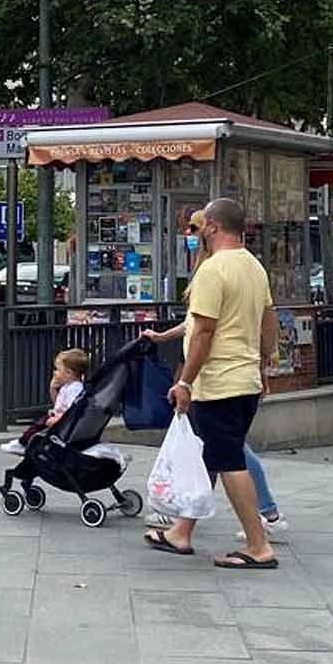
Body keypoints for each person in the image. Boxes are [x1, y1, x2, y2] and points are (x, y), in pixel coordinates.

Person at [143, 198, 280, 569]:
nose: (198, 231)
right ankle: (181, 531)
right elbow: (269, 321)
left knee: (229, 458)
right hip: (245, 379)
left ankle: (258, 545)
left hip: (218, 381)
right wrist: (265, 365)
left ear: (214, 227)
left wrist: (184, 381)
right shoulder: (254, 266)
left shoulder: (213, 270)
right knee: (212, 457)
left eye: (201, 226)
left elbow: (203, 330)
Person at [2, 348, 89, 454]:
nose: (54, 372)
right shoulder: (67, 386)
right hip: (58, 417)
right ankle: (24, 441)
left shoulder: (74, 389)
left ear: (68, 373)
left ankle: (23, 443)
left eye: (58, 369)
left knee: (37, 426)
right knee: (38, 425)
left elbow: (73, 410)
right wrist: (52, 389)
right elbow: (58, 404)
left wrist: (58, 419)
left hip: (63, 421)